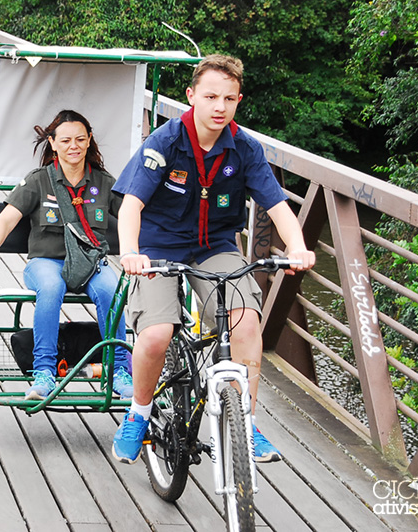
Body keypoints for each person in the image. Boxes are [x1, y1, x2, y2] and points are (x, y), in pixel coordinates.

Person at [109, 54, 316, 464]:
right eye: (210, 97)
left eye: (229, 98)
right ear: (191, 96)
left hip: (214, 246)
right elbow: (131, 204)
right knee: (156, 333)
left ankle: (247, 423)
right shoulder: (166, 142)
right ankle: (139, 413)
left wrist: (297, 246)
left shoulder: (245, 148)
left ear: (239, 100)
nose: (219, 107)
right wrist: (130, 252)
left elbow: (277, 206)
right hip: (157, 247)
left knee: (245, 321)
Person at [0, 110, 134, 401]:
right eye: (66, 140)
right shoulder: (39, 180)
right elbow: (6, 219)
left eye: (80, 139)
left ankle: (119, 369)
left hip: (91, 261)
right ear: (53, 143)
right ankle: (43, 370)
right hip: (46, 261)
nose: (74, 146)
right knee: (52, 287)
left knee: (111, 289)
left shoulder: (103, 181)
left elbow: (132, 215)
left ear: (89, 140)